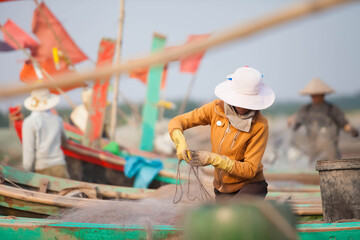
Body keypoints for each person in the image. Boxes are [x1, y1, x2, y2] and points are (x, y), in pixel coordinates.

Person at [168, 66, 275, 202]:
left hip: (250, 186)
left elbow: (250, 170)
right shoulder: (216, 109)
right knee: (219, 218)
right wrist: (180, 143)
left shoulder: (260, 125)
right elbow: (178, 121)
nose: (243, 106)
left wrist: (214, 159)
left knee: (233, 218)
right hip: (222, 187)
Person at [288, 78, 359, 166]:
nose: (315, 97)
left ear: (323, 95)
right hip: (313, 150)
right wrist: (291, 121)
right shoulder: (306, 110)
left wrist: (351, 130)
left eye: (317, 95)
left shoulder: (332, 109)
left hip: (330, 151)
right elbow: (294, 125)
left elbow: (344, 124)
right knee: (314, 172)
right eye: (313, 95)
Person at [22, 88, 70, 178]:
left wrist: (26, 172)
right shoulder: (57, 119)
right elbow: (65, 142)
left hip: (41, 168)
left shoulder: (29, 122)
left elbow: (29, 151)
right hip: (59, 166)